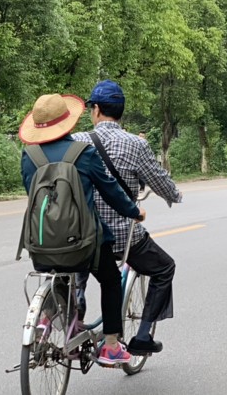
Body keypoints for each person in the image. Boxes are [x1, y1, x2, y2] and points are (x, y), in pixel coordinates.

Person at [19, 93, 144, 367]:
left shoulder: (29, 156)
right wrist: (134, 212)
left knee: (60, 273)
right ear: (69, 123)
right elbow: (110, 191)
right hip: (84, 244)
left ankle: (44, 320)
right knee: (111, 280)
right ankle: (111, 345)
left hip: (40, 245)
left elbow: (33, 194)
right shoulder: (83, 153)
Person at [73, 80, 181, 356]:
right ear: (120, 112)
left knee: (79, 267)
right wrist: (174, 195)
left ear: (95, 110)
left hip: (80, 233)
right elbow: (159, 181)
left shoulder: (76, 142)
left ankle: (74, 319)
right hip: (122, 237)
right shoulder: (136, 144)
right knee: (164, 268)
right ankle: (143, 335)